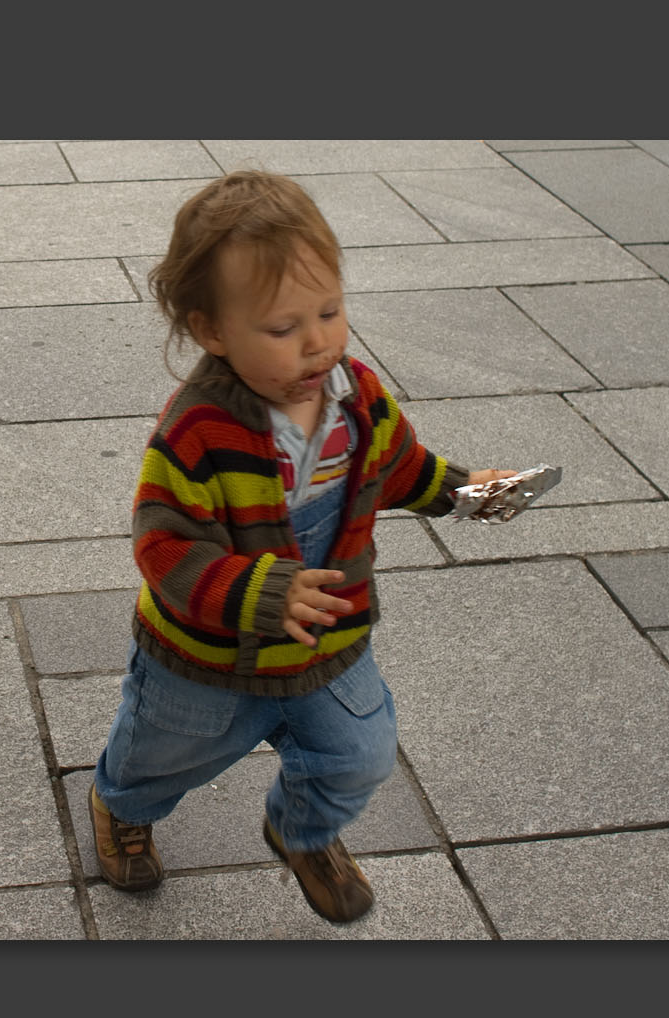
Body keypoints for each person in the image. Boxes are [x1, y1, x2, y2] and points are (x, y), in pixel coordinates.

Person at [90, 170, 517, 923]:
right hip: (205, 659)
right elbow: (163, 545)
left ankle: (302, 830)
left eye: (330, 310)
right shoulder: (196, 434)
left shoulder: (357, 397)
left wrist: (458, 490)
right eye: (284, 329)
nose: (317, 341)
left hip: (326, 642)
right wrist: (255, 590)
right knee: (159, 759)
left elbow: (396, 465)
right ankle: (119, 804)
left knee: (361, 757)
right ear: (213, 331)